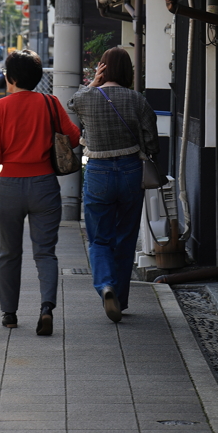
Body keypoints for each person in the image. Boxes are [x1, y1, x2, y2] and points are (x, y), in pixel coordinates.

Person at [0, 49, 80, 335]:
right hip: (45, 186)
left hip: (9, 187)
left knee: (9, 252)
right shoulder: (50, 103)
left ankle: (10, 314)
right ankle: (46, 307)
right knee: (45, 253)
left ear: (10, 78)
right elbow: (73, 137)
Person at [69, 47, 159, 323]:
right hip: (132, 170)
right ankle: (119, 296)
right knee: (125, 237)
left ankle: (105, 285)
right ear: (128, 71)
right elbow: (151, 140)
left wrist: (93, 83)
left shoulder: (89, 99)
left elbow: (72, 103)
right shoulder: (137, 100)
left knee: (99, 238)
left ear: (102, 69)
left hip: (98, 172)